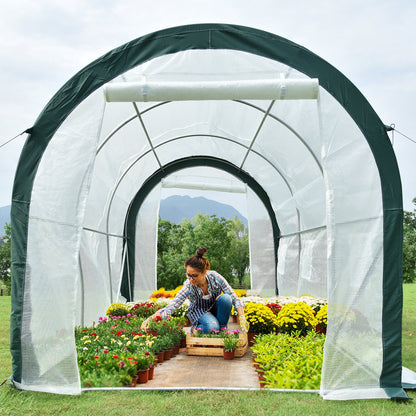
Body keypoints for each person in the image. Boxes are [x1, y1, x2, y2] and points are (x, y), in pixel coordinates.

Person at [142, 247, 249, 334]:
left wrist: (242, 318)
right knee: (212, 326)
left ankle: (221, 332)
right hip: (199, 312)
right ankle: (197, 329)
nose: (190, 279)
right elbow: (173, 306)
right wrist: (152, 318)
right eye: (188, 275)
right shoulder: (188, 287)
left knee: (226, 298)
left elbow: (234, 297)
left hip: (213, 308)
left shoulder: (215, 278)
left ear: (204, 272)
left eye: (194, 276)